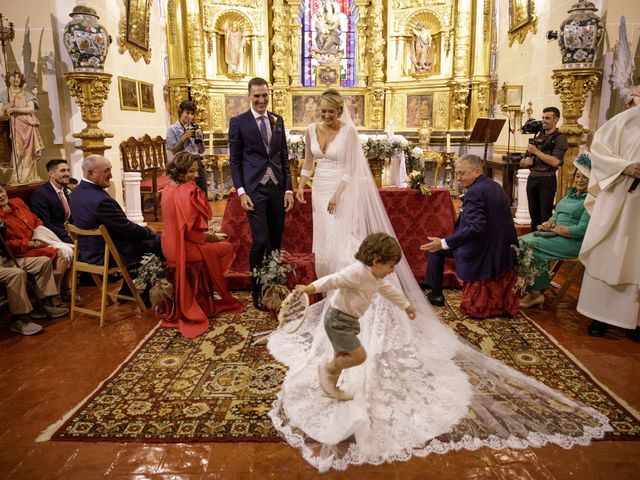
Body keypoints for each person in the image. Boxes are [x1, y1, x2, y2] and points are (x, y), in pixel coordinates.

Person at [267, 90, 609, 472]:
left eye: (334, 112)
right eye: (324, 112)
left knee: (345, 249)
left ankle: (346, 295)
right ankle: (331, 293)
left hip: (341, 195)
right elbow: (308, 162)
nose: (329, 117)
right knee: (324, 250)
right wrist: (302, 183)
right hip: (318, 193)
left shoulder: (348, 132)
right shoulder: (312, 130)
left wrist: (338, 194)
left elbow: (350, 170)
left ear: (341, 111)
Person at [295, 233, 416, 400]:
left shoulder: (375, 277)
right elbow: (333, 280)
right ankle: (328, 369)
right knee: (358, 356)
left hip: (348, 321)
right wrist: (309, 288)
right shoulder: (357, 272)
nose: (392, 270)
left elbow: (389, 290)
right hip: (338, 321)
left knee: (342, 356)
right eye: (390, 266)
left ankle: (330, 388)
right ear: (376, 261)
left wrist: (406, 305)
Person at [420, 154, 519, 318]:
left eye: (462, 173)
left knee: (436, 248)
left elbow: (475, 228)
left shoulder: (475, 192)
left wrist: (444, 242)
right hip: (502, 249)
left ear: (477, 171)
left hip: (484, 250)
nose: (458, 178)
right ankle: (436, 293)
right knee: (439, 246)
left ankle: (436, 294)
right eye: (457, 174)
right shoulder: (495, 186)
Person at [577, 86, 640, 340]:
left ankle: (635, 321)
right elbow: (599, 152)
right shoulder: (624, 121)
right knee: (609, 254)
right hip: (620, 198)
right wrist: (625, 167)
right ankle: (599, 315)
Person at [161, 152, 244, 338]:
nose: (196, 176)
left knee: (216, 245)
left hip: (168, 247)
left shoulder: (167, 188)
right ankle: (211, 294)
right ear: (181, 171)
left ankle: (207, 292)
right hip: (184, 250)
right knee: (226, 247)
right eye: (191, 171)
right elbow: (192, 234)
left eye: (196, 171)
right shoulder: (188, 191)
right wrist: (211, 237)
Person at [229, 77, 294, 310]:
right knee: (260, 241)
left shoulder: (278, 120)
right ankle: (257, 289)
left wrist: (288, 188)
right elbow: (235, 161)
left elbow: (283, 157)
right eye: (257, 96)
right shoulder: (239, 122)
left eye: (265, 95)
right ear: (250, 96)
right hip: (254, 189)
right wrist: (241, 192)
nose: (261, 100)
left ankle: (273, 286)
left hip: (277, 187)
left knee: (276, 241)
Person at [69, 155, 161, 297]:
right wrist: (149, 231)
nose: (111, 175)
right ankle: (144, 293)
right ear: (90, 173)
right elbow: (127, 229)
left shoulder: (76, 193)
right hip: (106, 254)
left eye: (110, 170)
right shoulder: (100, 200)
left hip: (87, 252)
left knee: (149, 241)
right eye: (106, 171)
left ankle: (128, 289)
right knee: (159, 243)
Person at [519, 155, 591, 308]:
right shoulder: (570, 195)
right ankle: (536, 289)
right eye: (578, 176)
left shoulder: (591, 200)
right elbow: (557, 215)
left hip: (573, 242)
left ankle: (535, 292)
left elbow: (581, 230)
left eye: (585, 178)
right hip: (557, 235)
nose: (579, 180)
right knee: (518, 243)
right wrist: (549, 222)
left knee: (524, 246)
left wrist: (555, 229)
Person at [0, 185, 71, 297]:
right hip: (21, 251)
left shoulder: (17, 202)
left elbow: (36, 220)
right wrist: (30, 244)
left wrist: (39, 235)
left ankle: (65, 288)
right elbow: (5, 244)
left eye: (1, 191)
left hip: (38, 240)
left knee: (71, 249)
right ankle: (56, 294)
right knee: (62, 253)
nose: (1, 196)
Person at [520, 107, 569, 232]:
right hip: (533, 179)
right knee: (534, 216)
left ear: (556, 119)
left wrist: (536, 151)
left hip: (546, 180)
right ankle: (531, 244)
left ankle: (543, 243)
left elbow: (555, 162)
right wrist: (526, 162)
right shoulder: (538, 135)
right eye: (543, 118)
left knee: (545, 216)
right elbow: (523, 161)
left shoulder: (560, 138)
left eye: (547, 118)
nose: (544, 120)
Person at [0, 255, 68, 335]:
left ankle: (41, 305)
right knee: (17, 274)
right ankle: (18, 318)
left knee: (44, 261)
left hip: (4, 260)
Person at [2, 70, 44, 184]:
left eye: (18, 77)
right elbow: (1, 113)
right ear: (8, 79)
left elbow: (31, 108)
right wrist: (6, 107)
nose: (16, 80)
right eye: (13, 77)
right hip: (16, 127)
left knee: (29, 151)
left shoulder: (27, 94)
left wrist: (15, 109)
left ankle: (30, 176)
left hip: (28, 126)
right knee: (18, 151)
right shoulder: (4, 95)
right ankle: (18, 176)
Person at [166, 100, 207, 193]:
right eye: (187, 113)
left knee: (202, 192)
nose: (190, 117)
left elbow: (201, 150)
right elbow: (173, 150)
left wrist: (200, 139)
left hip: (197, 163)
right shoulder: (172, 129)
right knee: (186, 194)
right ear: (181, 112)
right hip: (182, 166)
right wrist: (184, 138)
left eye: (192, 114)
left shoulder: (195, 128)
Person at [30, 159, 73, 244]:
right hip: (55, 235)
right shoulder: (40, 194)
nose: (67, 174)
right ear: (51, 174)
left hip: (70, 231)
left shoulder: (67, 190)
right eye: (63, 171)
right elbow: (45, 223)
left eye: (68, 170)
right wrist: (67, 233)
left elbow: (72, 216)